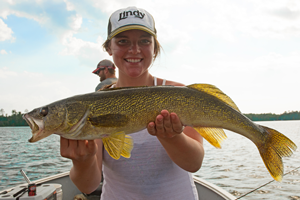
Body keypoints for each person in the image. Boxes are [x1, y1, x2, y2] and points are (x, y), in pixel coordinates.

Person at [61, 6, 204, 200]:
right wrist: (83, 161)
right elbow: (89, 185)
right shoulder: (95, 105)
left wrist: (172, 137)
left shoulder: (180, 93)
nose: (134, 49)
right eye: (123, 41)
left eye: (144, 41)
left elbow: (194, 163)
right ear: (108, 48)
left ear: (155, 47)